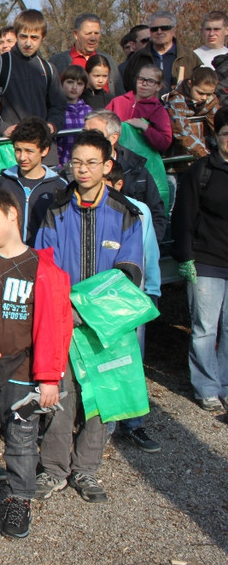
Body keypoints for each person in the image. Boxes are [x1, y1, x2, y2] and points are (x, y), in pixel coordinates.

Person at [0, 190, 72, 539]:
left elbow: (55, 326)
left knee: (21, 441)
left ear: (12, 214)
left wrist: (49, 378)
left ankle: (20, 498)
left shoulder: (43, 269)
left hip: (23, 372)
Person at [35, 130, 144, 504]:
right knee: (61, 395)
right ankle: (53, 469)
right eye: (77, 162)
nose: (82, 169)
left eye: (92, 162)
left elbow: (129, 271)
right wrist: (64, 308)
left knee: (102, 397)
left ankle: (86, 468)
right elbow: (44, 265)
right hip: (62, 318)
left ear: (107, 166)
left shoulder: (125, 213)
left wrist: (91, 310)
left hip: (105, 323)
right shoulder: (56, 209)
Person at [172, 109, 228, 412]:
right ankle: (206, 387)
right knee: (205, 327)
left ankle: (225, 384)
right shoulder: (201, 171)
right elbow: (184, 216)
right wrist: (186, 257)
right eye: (226, 134)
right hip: (206, 260)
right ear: (216, 136)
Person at [105, 161, 162, 452]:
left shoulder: (139, 210)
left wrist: (152, 290)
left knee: (132, 363)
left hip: (131, 297)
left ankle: (133, 424)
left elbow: (149, 251)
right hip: (99, 300)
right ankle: (102, 425)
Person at [82, 110, 168, 241]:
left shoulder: (137, 170)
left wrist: (145, 246)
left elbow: (156, 214)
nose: (86, 137)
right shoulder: (73, 171)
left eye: (94, 132)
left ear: (113, 138)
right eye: (84, 131)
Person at [0, 10, 66, 141]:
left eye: (34, 38)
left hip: (42, 144)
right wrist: (1, 128)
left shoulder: (49, 69)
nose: (28, 43)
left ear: (43, 38)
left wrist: (51, 126)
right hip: (8, 145)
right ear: (16, 35)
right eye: (23, 37)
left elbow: (58, 107)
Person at [0, 118, 66, 244]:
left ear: (44, 150)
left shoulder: (59, 186)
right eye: (18, 150)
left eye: (29, 151)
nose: (22, 157)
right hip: (10, 253)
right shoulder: (3, 182)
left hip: (44, 254)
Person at [122, 10, 202, 94]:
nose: (159, 32)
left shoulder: (189, 57)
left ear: (174, 30)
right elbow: (127, 86)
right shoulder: (138, 58)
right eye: (154, 29)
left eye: (165, 28)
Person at [49, 13, 123, 95]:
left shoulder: (109, 61)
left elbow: (120, 95)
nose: (93, 38)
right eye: (88, 33)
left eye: (96, 33)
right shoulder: (57, 62)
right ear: (76, 34)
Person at [105, 63, 173, 153]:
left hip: (142, 158)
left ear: (158, 86)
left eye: (151, 81)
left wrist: (145, 127)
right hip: (114, 154)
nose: (144, 84)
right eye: (141, 79)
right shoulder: (117, 101)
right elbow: (101, 123)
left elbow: (165, 142)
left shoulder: (158, 110)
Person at [167, 67, 219, 160]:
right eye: (200, 93)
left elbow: (219, 126)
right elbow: (181, 131)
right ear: (190, 84)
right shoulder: (177, 101)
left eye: (209, 94)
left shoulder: (211, 101)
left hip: (205, 153)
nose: (204, 98)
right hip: (180, 156)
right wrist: (203, 154)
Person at [58, 65, 92, 164]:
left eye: (79, 84)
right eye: (70, 82)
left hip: (83, 163)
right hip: (61, 163)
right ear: (61, 83)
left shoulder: (89, 111)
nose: (74, 87)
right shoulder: (56, 110)